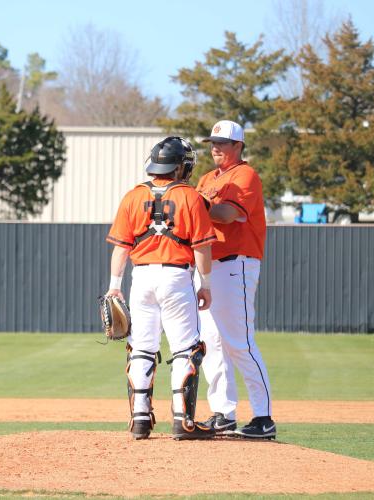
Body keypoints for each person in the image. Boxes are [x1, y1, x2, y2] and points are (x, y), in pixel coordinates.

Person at [105, 136, 217, 441]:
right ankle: (183, 421)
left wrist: (115, 286)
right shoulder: (190, 197)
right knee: (186, 349)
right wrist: (205, 284)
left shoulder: (132, 196)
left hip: (140, 278)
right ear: (180, 167)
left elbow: (120, 248)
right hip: (176, 278)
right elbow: (202, 248)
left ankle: (140, 419)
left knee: (141, 348)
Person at [196, 120, 276, 439]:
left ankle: (263, 417)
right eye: (212, 142)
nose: (215, 147)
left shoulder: (246, 175)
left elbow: (227, 214)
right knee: (212, 343)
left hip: (236, 264)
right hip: (209, 266)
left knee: (239, 342)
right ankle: (223, 412)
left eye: (222, 143)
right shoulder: (206, 178)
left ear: (238, 146)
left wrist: (193, 201)